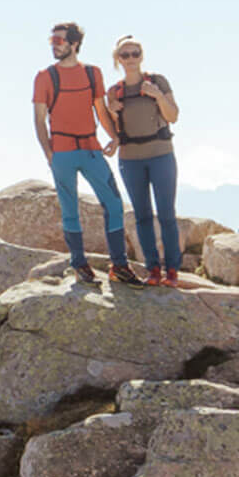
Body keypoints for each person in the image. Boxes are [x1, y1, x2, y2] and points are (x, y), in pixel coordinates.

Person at [32, 23, 142, 285]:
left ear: (74, 44)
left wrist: (114, 136)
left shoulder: (93, 74)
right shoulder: (45, 77)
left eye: (59, 40)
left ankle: (119, 266)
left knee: (114, 205)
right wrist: (50, 154)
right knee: (70, 211)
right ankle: (79, 264)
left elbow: (100, 110)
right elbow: (38, 119)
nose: (54, 45)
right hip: (62, 153)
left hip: (92, 149)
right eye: (52, 41)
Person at [106, 35, 181, 286]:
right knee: (142, 216)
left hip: (161, 155)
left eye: (135, 53)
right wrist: (112, 114)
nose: (130, 59)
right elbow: (116, 130)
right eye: (124, 55)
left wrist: (158, 95)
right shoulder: (113, 92)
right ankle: (153, 270)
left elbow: (173, 116)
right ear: (118, 59)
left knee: (167, 214)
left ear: (141, 56)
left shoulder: (157, 81)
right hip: (131, 159)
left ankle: (172, 270)